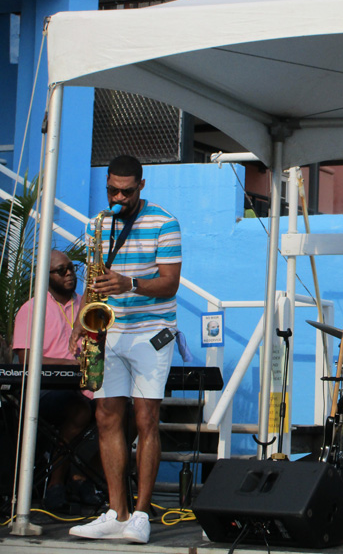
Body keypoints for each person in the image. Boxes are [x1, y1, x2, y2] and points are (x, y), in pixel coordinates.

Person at [68, 155, 181, 544]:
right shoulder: (97, 224)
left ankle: (141, 514)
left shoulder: (164, 222)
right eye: (112, 190)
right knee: (105, 416)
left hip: (151, 331)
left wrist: (129, 284)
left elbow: (170, 283)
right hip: (109, 329)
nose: (118, 198)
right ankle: (117, 513)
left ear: (141, 186)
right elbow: (94, 281)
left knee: (146, 417)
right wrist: (80, 324)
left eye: (126, 192)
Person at [12, 250, 102, 510]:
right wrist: (69, 364)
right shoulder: (32, 309)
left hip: (86, 389)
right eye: (61, 270)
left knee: (126, 414)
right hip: (45, 392)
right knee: (78, 410)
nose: (69, 274)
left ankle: (82, 476)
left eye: (72, 268)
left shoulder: (87, 306)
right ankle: (55, 483)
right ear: (45, 275)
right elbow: (25, 360)